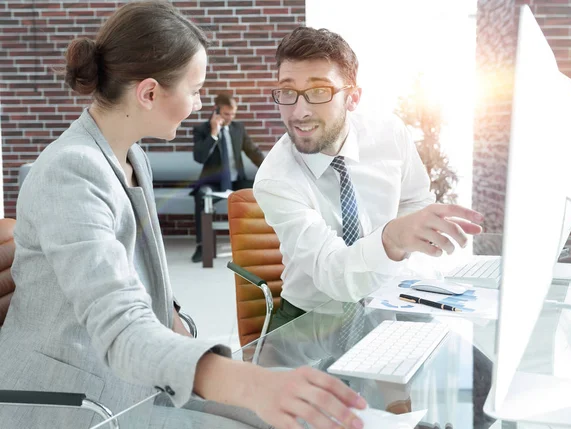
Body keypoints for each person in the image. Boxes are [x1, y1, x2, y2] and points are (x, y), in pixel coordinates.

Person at [0, 4, 367, 429]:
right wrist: (248, 385)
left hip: (133, 377)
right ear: (150, 93)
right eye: (194, 90)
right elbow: (120, 328)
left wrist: (175, 320)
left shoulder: (133, 156)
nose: (197, 105)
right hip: (74, 403)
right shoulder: (69, 171)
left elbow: (133, 271)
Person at [253, 27, 484, 331]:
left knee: (475, 373)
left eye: (319, 91)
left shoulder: (390, 133)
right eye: (287, 92)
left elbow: (415, 199)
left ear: (353, 97)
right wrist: (389, 240)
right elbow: (334, 275)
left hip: (396, 299)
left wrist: (403, 255)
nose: (299, 111)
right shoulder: (276, 179)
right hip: (314, 319)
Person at [190, 93, 265, 263]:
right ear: (216, 111)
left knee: (264, 190)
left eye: (233, 114)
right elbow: (199, 157)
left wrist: (272, 169)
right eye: (226, 114)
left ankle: (259, 244)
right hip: (213, 183)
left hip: (237, 181)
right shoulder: (202, 130)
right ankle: (202, 246)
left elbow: (253, 152)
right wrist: (214, 133)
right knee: (202, 195)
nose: (230, 118)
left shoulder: (238, 129)